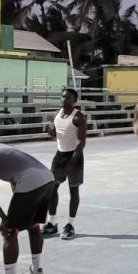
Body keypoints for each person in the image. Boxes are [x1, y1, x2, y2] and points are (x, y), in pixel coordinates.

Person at [0, 143, 57, 274]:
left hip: (29, 180)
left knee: (9, 232)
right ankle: (37, 272)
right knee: (33, 225)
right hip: (47, 178)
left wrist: (4, 218)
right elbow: (14, 172)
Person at [43, 88, 87, 238]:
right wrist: (51, 133)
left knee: (73, 191)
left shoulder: (78, 117)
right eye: (62, 97)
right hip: (59, 156)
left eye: (68, 98)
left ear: (74, 100)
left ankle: (70, 224)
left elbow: (81, 143)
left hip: (74, 156)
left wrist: (72, 161)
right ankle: (52, 223)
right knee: (51, 189)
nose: (64, 100)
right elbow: (58, 136)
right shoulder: (58, 115)